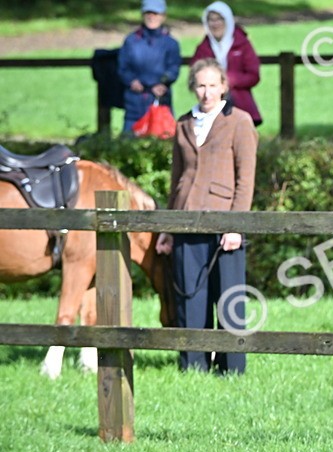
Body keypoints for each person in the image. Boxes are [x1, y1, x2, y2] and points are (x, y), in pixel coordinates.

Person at [155, 58, 258, 374]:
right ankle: (193, 366)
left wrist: (236, 225)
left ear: (224, 86)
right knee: (189, 297)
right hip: (185, 219)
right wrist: (168, 228)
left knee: (228, 298)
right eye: (200, 85)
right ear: (192, 87)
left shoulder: (240, 121)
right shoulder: (184, 122)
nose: (206, 92)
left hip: (224, 221)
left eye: (213, 85)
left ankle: (231, 368)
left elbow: (246, 179)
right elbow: (176, 178)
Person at [190, 2, 263, 127]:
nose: (215, 23)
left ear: (228, 20)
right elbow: (194, 75)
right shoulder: (203, 48)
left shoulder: (242, 44)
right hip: (210, 106)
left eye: (219, 19)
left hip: (240, 104)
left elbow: (253, 75)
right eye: (211, 20)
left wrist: (229, 80)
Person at [117, 0, 182, 134]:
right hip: (135, 102)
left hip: (160, 101)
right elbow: (123, 67)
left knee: (164, 142)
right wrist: (131, 81)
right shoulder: (131, 41)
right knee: (129, 143)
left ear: (163, 16)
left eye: (156, 13)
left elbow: (173, 68)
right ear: (143, 14)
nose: (151, 17)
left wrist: (164, 83)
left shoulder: (171, 43)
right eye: (148, 13)